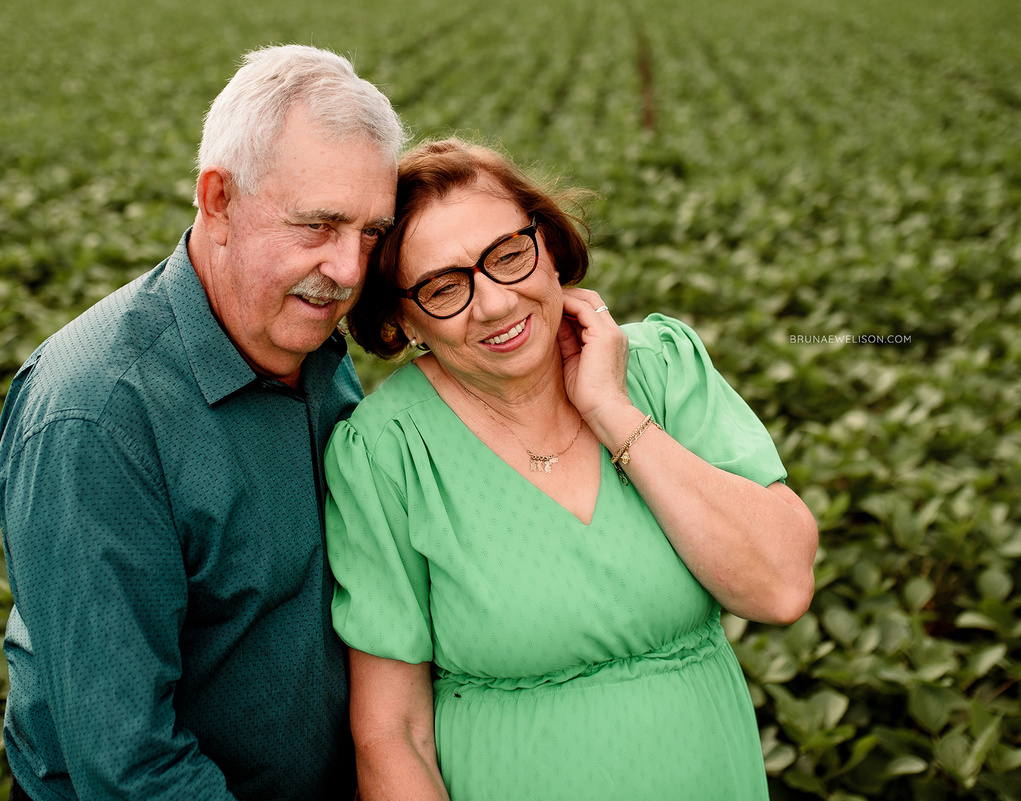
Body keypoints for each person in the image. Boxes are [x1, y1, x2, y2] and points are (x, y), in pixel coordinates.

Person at [323, 139, 819, 800]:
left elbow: (780, 585)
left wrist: (612, 409)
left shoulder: (662, 370)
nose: (495, 304)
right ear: (405, 317)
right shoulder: (387, 452)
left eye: (507, 255)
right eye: (444, 286)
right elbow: (393, 731)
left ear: (549, 244)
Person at [0, 45, 401, 801]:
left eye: (371, 232)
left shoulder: (308, 338)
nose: (348, 270)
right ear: (218, 200)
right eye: (317, 224)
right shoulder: (96, 418)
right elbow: (130, 767)